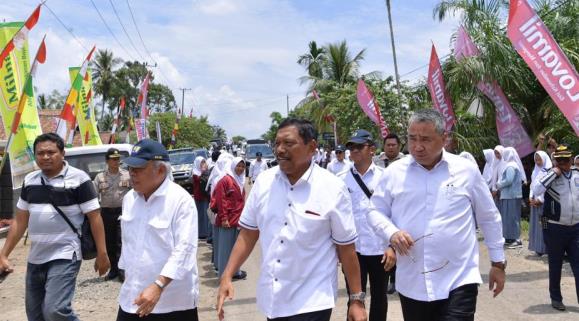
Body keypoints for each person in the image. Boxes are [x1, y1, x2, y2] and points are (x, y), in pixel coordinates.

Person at [217, 118, 367, 321]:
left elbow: (346, 248)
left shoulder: (332, 188)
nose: (279, 150)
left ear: (312, 147)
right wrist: (227, 275)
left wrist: (356, 300)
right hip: (273, 299)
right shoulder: (264, 183)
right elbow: (248, 235)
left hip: (312, 300)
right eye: (277, 143)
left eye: (288, 143)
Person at [367, 109, 506, 321]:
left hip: (459, 279)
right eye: (412, 139)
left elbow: (488, 216)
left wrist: (498, 263)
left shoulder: (466, 170)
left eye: (425, 139)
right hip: (413, 282)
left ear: (444, 139)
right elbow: (374, 211)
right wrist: (392, 233)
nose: (417, 146)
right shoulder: (394, 173)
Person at [0, 133, 110, 321]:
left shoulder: (80, 179)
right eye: (40, 153)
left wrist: (102, 253)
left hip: (65, 254)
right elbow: (20, 220)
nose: (45, 157)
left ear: (62, 153)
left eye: (51, 152)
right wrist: (3, 254)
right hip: (36, 257)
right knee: (35, 315)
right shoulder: (30, 180)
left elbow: (95, 217)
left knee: (55, 310)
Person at [117, 139, 199, 321]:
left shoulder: (180, 200)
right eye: (130, 169)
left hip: (172, 303)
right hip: (133, 297)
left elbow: (184, 250)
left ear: (160, 170)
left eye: (138, 169)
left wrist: (158, 285)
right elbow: (128, 242)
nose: (132, 174)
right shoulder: (129, 199)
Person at [338, 129, 395, 321]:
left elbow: (394, 213)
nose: (353, 151)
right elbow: (337, 218)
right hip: (353, 251)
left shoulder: (385, 177)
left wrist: (391, 246)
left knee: (380, 297)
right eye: (351, 147)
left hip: (380, 249)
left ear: (372, 149)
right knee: (355, 298)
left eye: (358, 147)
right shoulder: (341, 180)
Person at [533, 144, 579, 311]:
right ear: (555, 161)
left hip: (575, 229)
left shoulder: (576, 175)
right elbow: (536, 189)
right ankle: (556, 298)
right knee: (555, 265)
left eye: (566, 160)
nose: (563, 164)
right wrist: (553, 173)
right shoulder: (548, 175)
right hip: (554, 228)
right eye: (560, 160)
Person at [94, 148, 131, 281]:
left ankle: (122, 270)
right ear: (107, 161)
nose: (117, 161)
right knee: (109, 242)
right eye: (114, 159)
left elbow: (135, 193)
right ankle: (113, 270)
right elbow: (94, 196)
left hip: (123, 212)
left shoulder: (127, 175)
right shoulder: (100, 177)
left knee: (121, 241)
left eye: (118, 159)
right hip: (106, 213)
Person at [211, 157, 247, 280]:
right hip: (227, 220)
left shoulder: (240, 181)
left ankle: (235, 272)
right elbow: (221, 201)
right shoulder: (225, 180)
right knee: (225, 249)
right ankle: (223, 275)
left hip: (237, 220)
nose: (241, 169)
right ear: (233, 166)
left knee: (235, 249)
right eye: (238, 166)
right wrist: (224, 218)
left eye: (243, 166)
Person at [496, 147, 524, 249]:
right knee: (509, 217)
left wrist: (499, 184)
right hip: (510, 195)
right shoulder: (512, 165)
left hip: (511, 195)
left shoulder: (511, 166)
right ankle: (509, 238)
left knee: (512, 217)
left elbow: (509, 180)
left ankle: (516, 239)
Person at [528, 151, 552, 256]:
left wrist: (540, 200)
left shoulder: (548, 171)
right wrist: (530, 197)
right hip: (534, 201)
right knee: (536, 225)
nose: (537, 162)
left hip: (543, 203)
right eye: (536, 160)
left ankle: (545, 247)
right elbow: (532, 185)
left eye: (539, 159)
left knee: (544, 224)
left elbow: (546, 188)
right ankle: (537, 247)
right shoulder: (535, 171)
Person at [192, 156, 210, 239]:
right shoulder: (195, 173)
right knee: (200, 215)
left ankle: (205, 232)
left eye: (204, 162)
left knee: (205, 215)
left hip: (204, 195)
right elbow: (200, 180)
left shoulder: (204, 171)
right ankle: (201, 233)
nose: (203, 164)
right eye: (201, 162)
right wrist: (203, 172)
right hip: (199, 196)